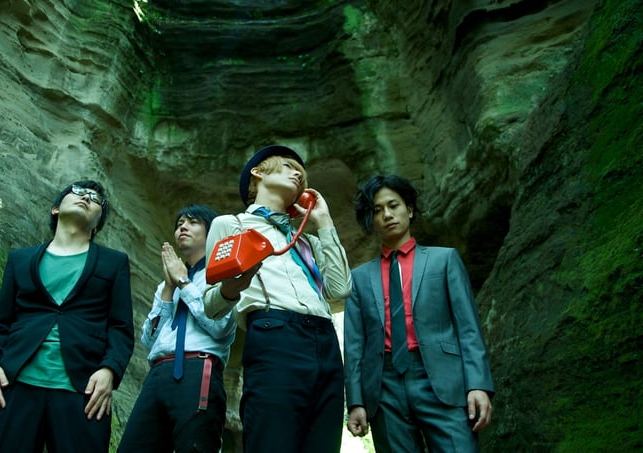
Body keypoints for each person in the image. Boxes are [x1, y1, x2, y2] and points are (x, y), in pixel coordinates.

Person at [203, 145, 352, 453]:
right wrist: (234, 286)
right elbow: (211, 306)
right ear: (258, 172)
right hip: (273, 333)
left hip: (325, 341)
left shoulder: (307, 242)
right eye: (287, 166)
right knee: (271, 441)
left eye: (301, 174)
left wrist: (324, 222)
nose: (297, 174)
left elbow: (339, 291)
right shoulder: (230, 224)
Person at [0, 180, 134, 453]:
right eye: (78, 192)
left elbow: (120, 328)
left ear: (97, 226)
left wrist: (110, 370)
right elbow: (1, 324)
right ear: (55, 209)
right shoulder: (20, 260)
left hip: (84, 391)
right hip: (14, 385)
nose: (87, 198)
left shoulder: (114, 262)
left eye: (96, 199)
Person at [344, 174, 494, 452]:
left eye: (394, 205)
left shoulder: (444, 260)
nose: (387, 215)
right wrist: (355, 401)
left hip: (442, 378)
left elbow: (469, 328)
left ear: (409, 210)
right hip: (384, 386)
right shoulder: (359, 278)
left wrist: (478, 384)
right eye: (377, 210)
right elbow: (354, 346)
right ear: (371, 221)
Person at [118, 204, 236, 452]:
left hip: (198, 367)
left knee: (195, 446)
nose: (183, 227)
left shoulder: (224, 273)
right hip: (158, 371)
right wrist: (170, 288)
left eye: (193, 222)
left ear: (211, 232)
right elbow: (148, 340)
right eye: (179, 223)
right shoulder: (166, 285)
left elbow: (220, 327)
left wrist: (184, 282)